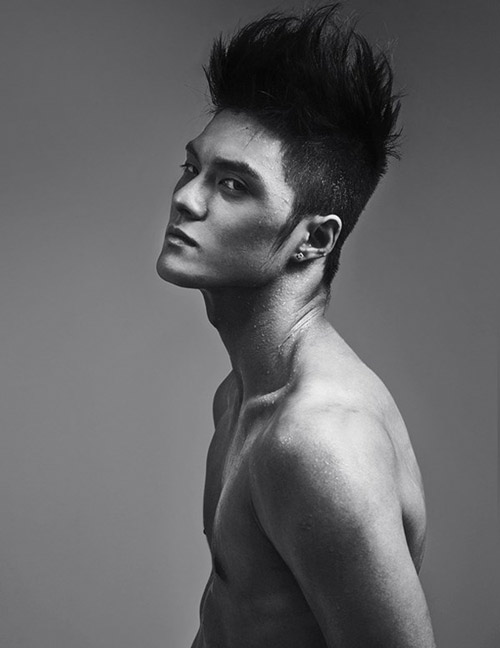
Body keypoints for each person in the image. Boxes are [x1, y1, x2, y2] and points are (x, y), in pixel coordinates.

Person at [157, 5, 436, 647]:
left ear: (313, 240)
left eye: (233, 185)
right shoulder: (241, 396)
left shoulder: (316, 443)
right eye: (193, 169)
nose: (186, 198)